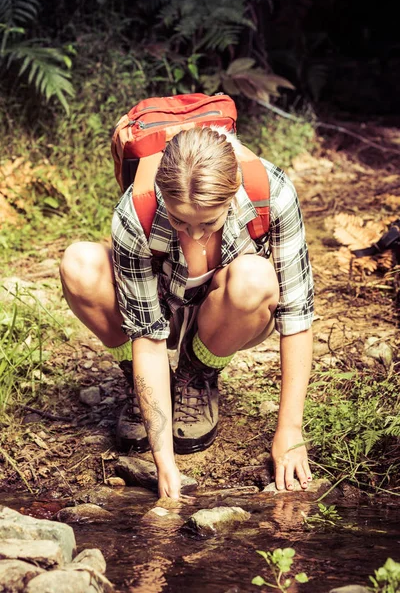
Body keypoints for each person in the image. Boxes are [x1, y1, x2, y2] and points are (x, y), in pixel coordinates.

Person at [59, 125, 314, 499]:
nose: (194, 235)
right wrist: (165, 463)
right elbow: (147, 338)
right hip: (154, 311)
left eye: (208, 222)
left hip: (229, 310)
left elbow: (297, 318)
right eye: (180, 221)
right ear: (162, 194)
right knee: (78, 262)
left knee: (256, 278)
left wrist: (290, 432)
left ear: (234, 189)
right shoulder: (136, 211)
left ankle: (196, 375)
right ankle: (139, 385)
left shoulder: (273, 191)